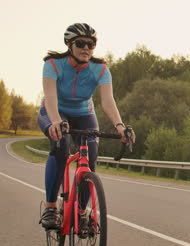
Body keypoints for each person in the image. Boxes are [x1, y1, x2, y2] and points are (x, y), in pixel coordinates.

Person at [38, 23, 136, 230]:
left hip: (84, 114)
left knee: (90, 156)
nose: (87, 48)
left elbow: (108, 102)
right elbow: (51, 97)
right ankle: (50, 207)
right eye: (81, 43)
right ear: (69, 44)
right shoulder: (53, 64)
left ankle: (81, 213)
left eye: (91, 44)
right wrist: (56, 121)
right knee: (61, 147)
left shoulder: (100, 69)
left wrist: (120, 127)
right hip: (55, 111)